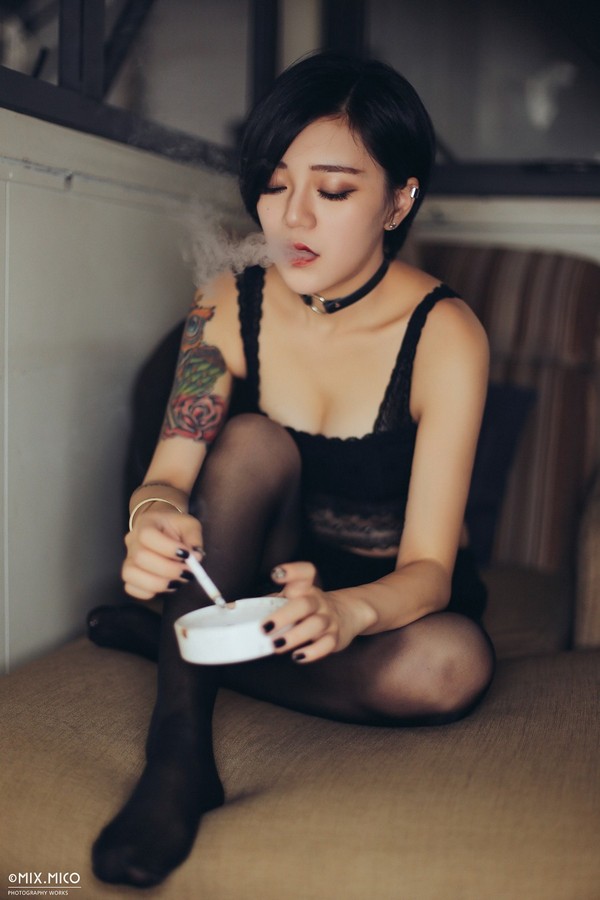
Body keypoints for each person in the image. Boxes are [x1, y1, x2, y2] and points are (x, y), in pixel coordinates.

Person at [88, 51, 495, 888]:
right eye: (275, 186)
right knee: (249, 442)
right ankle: (178, 753)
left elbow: (429, 569)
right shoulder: (223, 303)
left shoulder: (446, 335)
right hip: (254, 572)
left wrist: (348, 611)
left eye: (334, 191)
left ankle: (171, 639)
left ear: (399, 200)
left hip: (380, 600)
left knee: (450, 668)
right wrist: (150, 517)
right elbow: (169, 472)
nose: (293, 216)